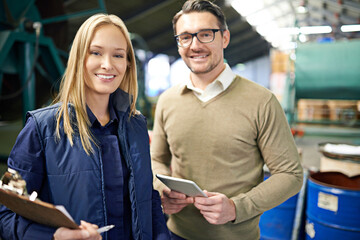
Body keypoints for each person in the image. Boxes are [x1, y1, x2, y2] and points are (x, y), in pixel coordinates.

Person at [0, 13, 170, 240]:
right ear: (79, 58)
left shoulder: (135, 125)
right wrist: (56, 235)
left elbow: (147, 200)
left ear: (128, 64)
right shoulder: (42, 128)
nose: (108, 64)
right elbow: (6, 214)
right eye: (96, 52)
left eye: (118, 55)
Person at [150, 1, 303, 239]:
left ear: (225, 38)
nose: (195, 45)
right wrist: (161, 190)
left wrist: (236, 208)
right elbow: (156, 158)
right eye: (185, 37)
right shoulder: (168, 100)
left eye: (205, 35)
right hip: (175, 234)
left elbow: (290, 174)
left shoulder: (262, 101)